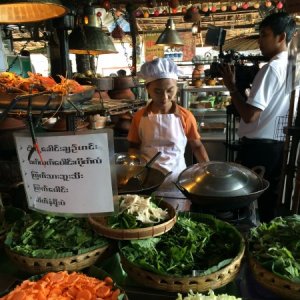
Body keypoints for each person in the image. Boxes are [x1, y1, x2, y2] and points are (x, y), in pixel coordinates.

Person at [219, 12, 297, 223]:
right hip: (280, 146)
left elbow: (250, 115)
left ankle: (248, 245)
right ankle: (265, 243)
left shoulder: (272, 69)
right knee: (269, 204)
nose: (260, 41)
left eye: (264, 35)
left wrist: (232, 88)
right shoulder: (293, 66)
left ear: (281, 37)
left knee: (245, 203)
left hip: (259, 149)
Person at [127, 58, 209, 189]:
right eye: (157, 91)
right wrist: (132, 170)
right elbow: (133, 146)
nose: (164, 97)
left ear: (176, 87)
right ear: (147, 89)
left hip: (176, 179)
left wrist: (207, 171)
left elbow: (197, 146)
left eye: (170, 90)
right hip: (147, 180)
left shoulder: (185, 116)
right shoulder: (139, 117)